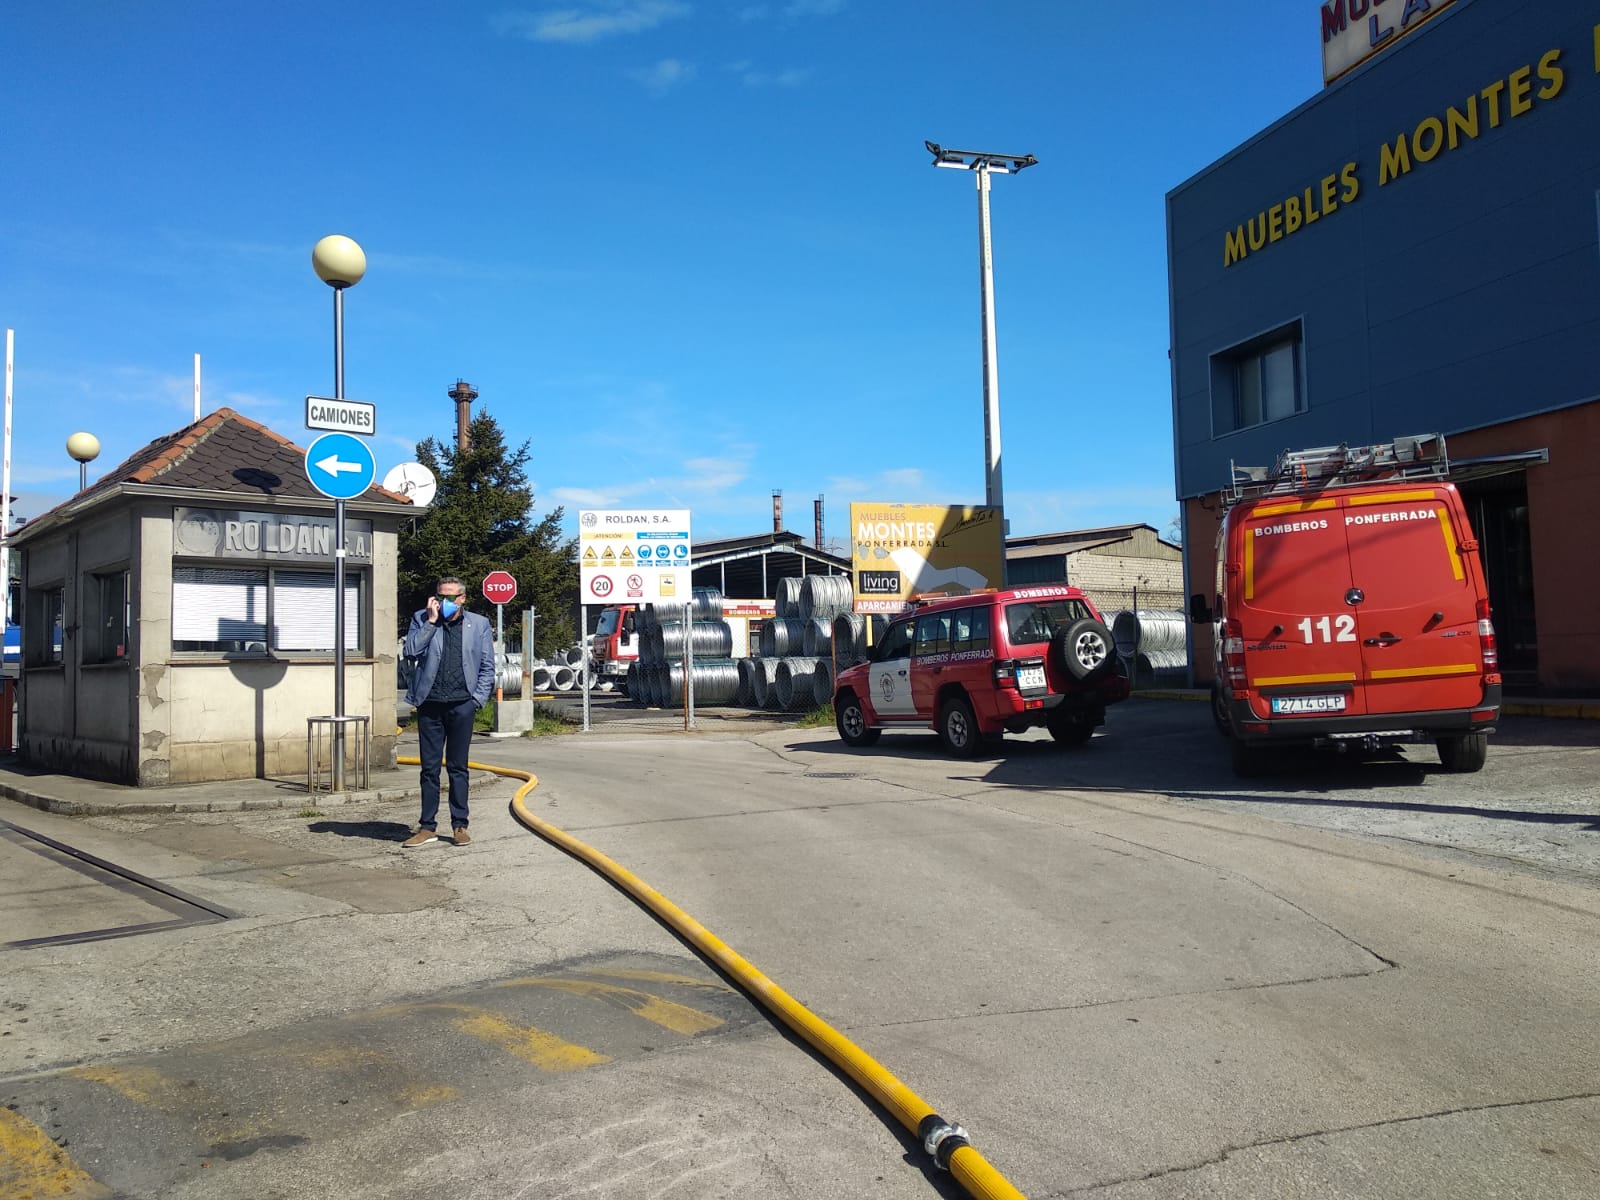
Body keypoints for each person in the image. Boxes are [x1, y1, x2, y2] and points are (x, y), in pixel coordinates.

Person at [401, 576, 497, 847]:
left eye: (451, 597)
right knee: (429, 769)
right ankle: (427, 827)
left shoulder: (478, 624)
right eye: (441, 596)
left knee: (458, 767)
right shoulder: (422, 618)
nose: (445, 602)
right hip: (430, 703)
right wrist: (431, 622)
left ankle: (460, 825)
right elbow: (411, 651)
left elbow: (487, 666)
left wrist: (476, 700)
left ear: (462, 598)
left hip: (462, 704)